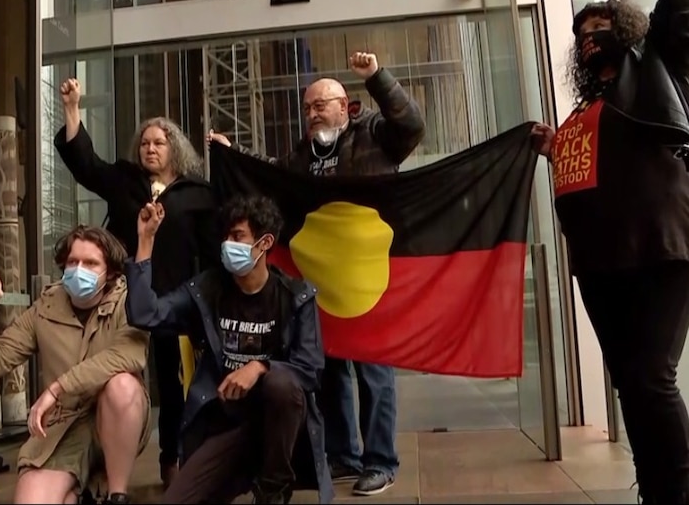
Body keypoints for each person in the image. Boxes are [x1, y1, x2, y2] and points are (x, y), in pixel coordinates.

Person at [208, 51, 425, 496]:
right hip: (323, 279)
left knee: (374, 372)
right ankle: (345, 455)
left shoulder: (376, 138)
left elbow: (412, 126)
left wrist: (377, 77)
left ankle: (381, 460)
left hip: (368, 278)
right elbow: (271, 181)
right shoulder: (302, 156)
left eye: (320, 105)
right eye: (307, 108)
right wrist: (236, 157)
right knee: (332, 369)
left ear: (345, 106)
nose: (312, 114)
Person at [531, 0, 689, 501]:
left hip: (657, 249)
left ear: (625, 33)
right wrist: (556, 146)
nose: (588, 39)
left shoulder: (657, 69)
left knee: (651, 375)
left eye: (600, 29)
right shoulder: (587, 107)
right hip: (599, 263)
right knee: (630, 382)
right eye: (581, 34)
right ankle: (655, 487)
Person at [54, 79, 217, 489]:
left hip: (174, 302)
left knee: (175, 384)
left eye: (159, 143)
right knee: (116, 379)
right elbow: (86, 165)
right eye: (144, 142)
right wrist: (73, 109)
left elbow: (215, 245)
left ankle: (173, 458)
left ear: (174, 148)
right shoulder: (124, 181)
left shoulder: (198, 193)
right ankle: (105, 461)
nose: (149, 149)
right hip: (124, 299)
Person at [125, 195, 332, 504]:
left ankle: (273, 491)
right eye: (225, 236)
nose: (227, 244)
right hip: (225, 426)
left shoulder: (295, 296)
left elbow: (310, 369)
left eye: (237, 237)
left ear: (264, 243)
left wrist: (260, 367)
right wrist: (145, 241)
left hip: (278, 427)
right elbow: (144, 314)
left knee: (280, 383)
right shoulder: (207, 289)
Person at [0, 225, 151, 505]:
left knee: (122, 385)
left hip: (118, 419)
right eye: (73, 262)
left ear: (109, 271)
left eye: (90, 263)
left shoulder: (129, 302)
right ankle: (76, 489)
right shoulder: (46, 307)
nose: (78, 270)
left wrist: (56, 389)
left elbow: (128, 355)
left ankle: (116, 494)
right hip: (64, 427)